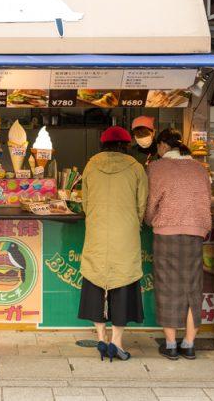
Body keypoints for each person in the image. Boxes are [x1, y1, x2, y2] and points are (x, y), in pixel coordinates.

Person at [79, 126, 148, 361]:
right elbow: (142, 206)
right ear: (126, 145)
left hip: (97, 233)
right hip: (126, 235)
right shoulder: (136, 168)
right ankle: (117, 341)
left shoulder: (90, 166)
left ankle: (101, 338)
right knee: (123, 283)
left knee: (95, 281)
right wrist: (132, 221)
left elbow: (85, 203)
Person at [145, 129, 212, 360]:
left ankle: (171, 344)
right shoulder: (199, 168)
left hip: (166, 232)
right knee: (192, 287)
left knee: (167, 288)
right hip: (195, 233)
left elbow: (150, 202)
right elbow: (207, 199)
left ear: (163, 146)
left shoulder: (156, 168)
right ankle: (189, 344)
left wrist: (149, 219)